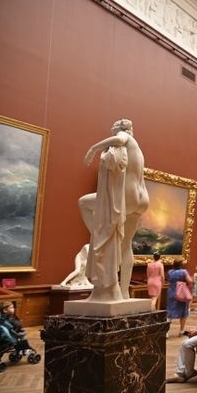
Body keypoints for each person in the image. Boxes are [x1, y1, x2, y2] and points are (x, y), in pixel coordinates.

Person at [79, 118, 149, 302]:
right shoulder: (137, 150)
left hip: (127, 197)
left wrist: (93, 149)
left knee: (83, 203)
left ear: (121, 128)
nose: (113, 129)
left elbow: (119, 139)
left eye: (115, 126)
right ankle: (125, 291)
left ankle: (100, 234)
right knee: (126, 245)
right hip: (141, 198)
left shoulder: (125, 137)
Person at [166, 259, 193, 337]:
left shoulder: (170, 272)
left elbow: (168, 279)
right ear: (181, 264)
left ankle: (166, 332)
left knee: (169, 312)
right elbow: (190, 281)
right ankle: (181, 330)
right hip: (181, 293)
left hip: (171, 292)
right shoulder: (183, 272)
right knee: (183, 312)